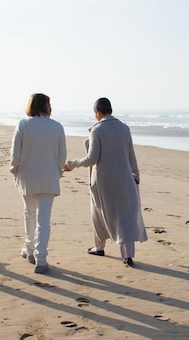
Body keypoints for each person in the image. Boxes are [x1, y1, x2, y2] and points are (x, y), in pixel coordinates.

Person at [63, 97, 147, 267]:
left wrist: (72, 164)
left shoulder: (97, 130)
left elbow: (92, 158)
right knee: (124, 216)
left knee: (98, 214)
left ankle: (99, 247)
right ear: (111, 110)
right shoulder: (124, 128)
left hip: (103, 181)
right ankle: (128, 255)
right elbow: (131, 155)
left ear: (97, 113)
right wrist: (136, 175)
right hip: (124, 179)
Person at [10, 93, 67, 274]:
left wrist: (14, 170)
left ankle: (29, 248)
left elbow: (14, 155)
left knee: (29, 213)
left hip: (27, 176)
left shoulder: (23, 125)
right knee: (44, 218)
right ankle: (40, 258)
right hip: (49, 176)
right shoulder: (57, 127)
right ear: (46, 106)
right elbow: (61, 156)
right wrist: (57, 172)